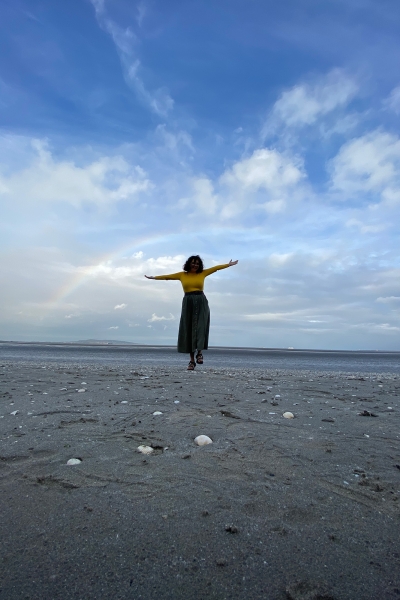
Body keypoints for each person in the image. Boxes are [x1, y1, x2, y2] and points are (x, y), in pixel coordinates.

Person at [145, 256, 238, 370]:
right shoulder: (182, 275)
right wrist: (153, 277)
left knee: (200, 327)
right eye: (193, 263)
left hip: (201, 300)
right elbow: (167, 277)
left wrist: (228, 265)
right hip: (188, 302)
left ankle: (199, 353)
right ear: (189, 264)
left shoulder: (202, 273)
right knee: (188, 329)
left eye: (197, 263)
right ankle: (191, 361)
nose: (195, 265)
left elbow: (215, 268)